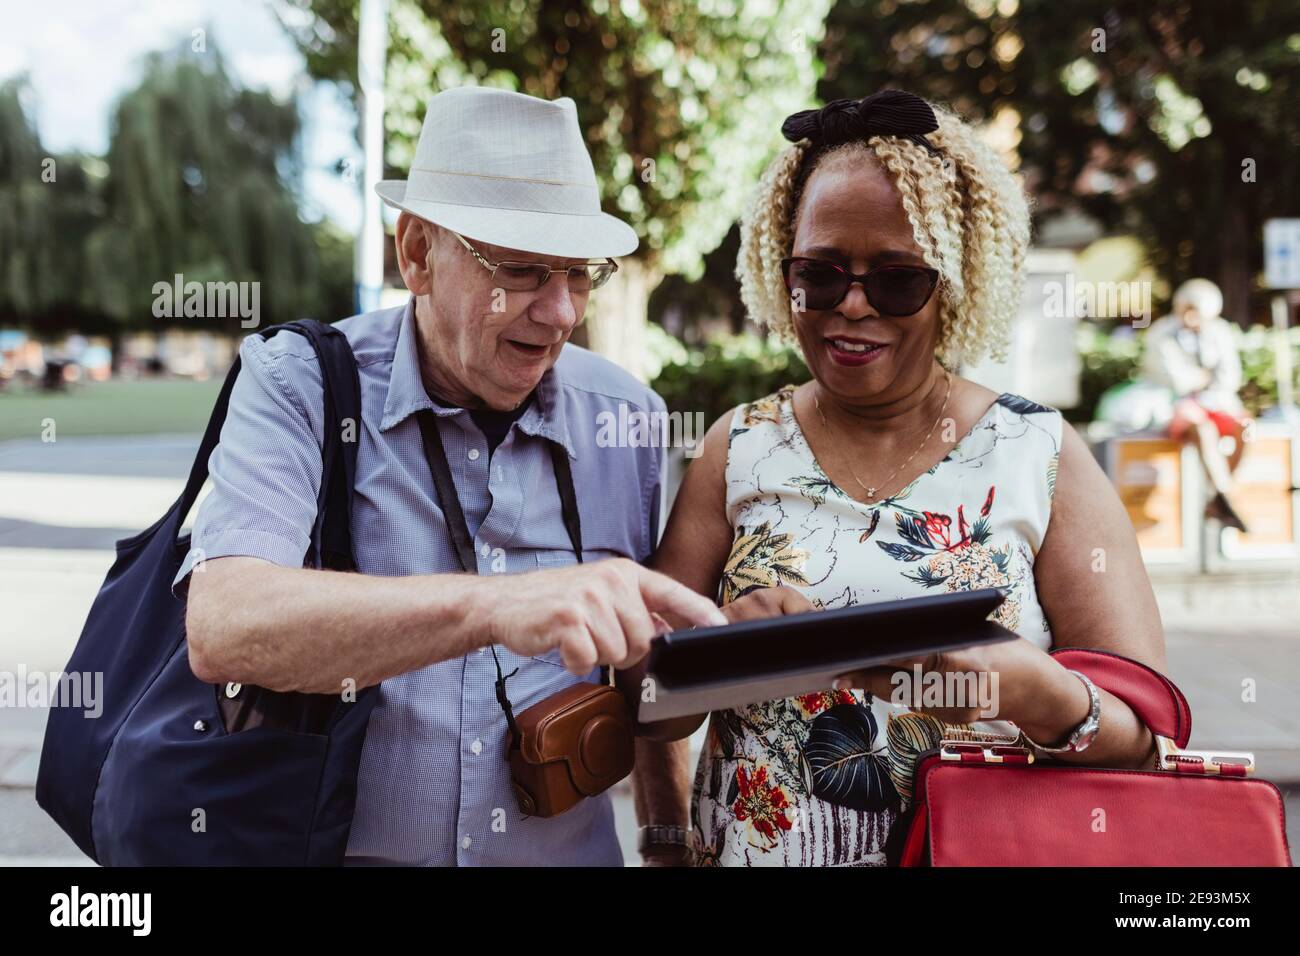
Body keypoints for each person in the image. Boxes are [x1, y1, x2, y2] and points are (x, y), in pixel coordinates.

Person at [179, 86, 726, 866]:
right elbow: (225, 626)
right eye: (524, 269)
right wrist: (499, 606)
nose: (562, 312)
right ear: (416, 255)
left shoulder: (628, 417)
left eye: (580, 274)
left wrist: (669, 833)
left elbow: (644, 692)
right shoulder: (300, 379)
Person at [637, 90, 1168, 867]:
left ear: (951, 283)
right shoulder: (739, 447)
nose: (851, 306)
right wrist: (713, 653)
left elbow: (1149, 739)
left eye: (895, 280)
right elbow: (647, 711)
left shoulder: (1035, 451)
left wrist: (1033, 694)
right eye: (818, 275)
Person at [1141, 278, 1251, 532]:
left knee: (1245, 428)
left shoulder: (1219, 331)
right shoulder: (1161, 332)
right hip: (1176, 405)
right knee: (1204, 429)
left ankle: (1219, 498)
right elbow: (1173, 379)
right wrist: (1204, 376)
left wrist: (1200, 378)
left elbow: (1230, 377)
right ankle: (1225, 498)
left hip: (1216, 402)